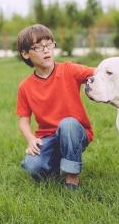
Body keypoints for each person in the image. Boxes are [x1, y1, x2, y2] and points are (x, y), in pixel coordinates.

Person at [16, 24, 95, 190]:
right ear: (25, 53)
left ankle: (71, 179)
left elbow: (98, 72)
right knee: (32, 167)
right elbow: (23, 121)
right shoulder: (25, 86)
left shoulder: (69, 70)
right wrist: (31, 139)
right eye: (38, 47)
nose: (46, 50)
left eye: (49, 44)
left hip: (75, 133)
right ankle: (60, 162)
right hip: (48, 138)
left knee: (67, 124)